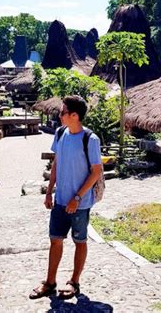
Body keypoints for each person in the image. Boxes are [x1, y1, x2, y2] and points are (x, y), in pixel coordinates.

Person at [29, 95, 102, 300]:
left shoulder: (90, 139)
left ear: (74, 115)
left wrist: (77, 198)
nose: (59, 115)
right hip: (60, 200)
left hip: (80, 204)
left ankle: (74, 283)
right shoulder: (60, 133)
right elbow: (56, 163)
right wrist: (49, 190)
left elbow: (96, 171)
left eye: (62, 112)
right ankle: (50, 283)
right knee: (55, 241)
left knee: (79, 241)